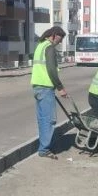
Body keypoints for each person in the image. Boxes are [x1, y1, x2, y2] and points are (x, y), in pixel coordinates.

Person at [31, 26, 67, 159]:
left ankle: (43, 146)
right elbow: (51, 70)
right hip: (46, 88)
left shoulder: (40, 45)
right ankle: (44, 149)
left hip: (37, 87)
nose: (60, 42)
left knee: (42, 119)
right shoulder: (49, 48)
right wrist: (60, 88)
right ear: (53, 35)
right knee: (49, 120)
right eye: (60, 38)